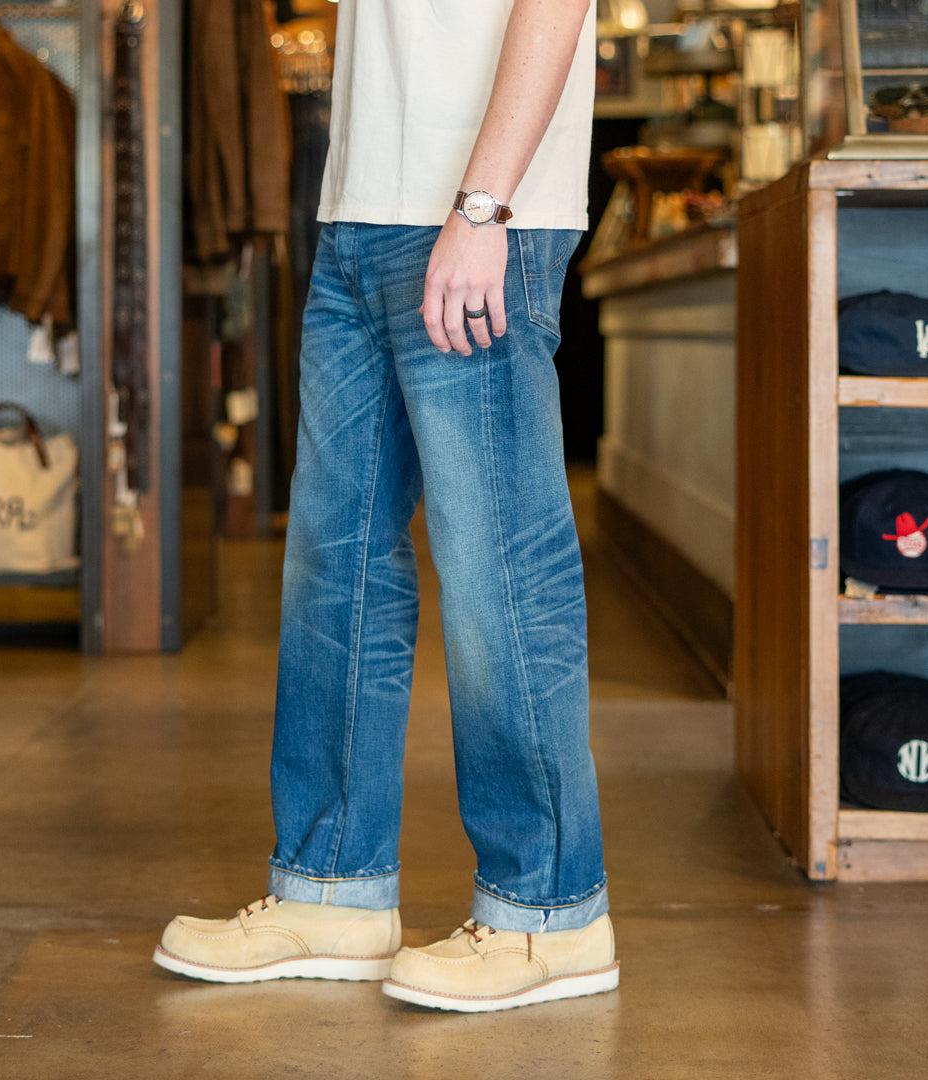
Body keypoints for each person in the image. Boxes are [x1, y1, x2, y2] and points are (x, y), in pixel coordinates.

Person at [154, 0, 617, 1012]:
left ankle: (550, 911)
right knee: (337, 566)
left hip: (480, 216)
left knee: (498, 569)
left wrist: (484, 208)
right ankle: (332, 891)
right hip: (360, 211)